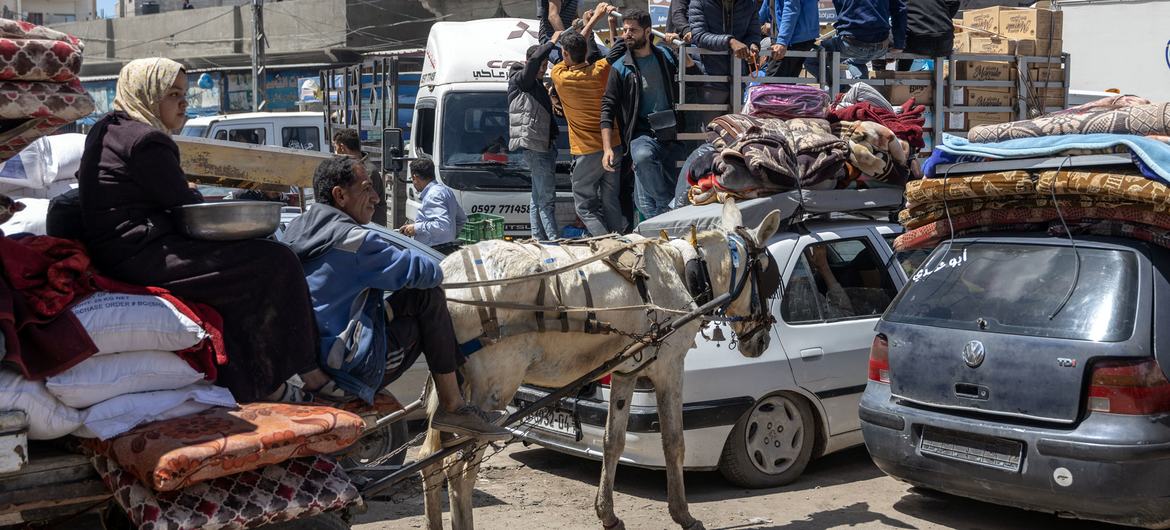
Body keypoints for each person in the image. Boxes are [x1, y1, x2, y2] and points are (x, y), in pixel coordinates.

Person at [76, 58, 330, 403]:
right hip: (143, 255)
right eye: (173, 94)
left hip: (120, 253)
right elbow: (186, 206)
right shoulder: (147, 140)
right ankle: (310, 371)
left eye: (184, 94)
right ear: (148, 95)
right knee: (277, 260)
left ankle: (256, 383)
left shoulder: (108, 128)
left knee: (236, 282)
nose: (184, 103)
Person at [282, 157, 511, 442]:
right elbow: (427, 272)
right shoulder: (355, 241)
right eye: (367, 189)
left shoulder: (297, 228)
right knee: (428, 296)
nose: (376, 198)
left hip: (314, 353)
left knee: (413, 299)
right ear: (340, 195)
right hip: (349, 367)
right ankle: (453, 405)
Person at [600, 9, 697, 219]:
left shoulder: (666, 55)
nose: (627, 34)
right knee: (643, 158)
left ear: (647, 31)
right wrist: (607, 148)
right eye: (625, 30)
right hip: (641, 133)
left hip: (671, 133)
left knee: (646, 202)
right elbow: (607, 107)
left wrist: (679, 49)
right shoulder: (620, 67)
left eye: (632, 30)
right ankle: (666, 209)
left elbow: (693, 72)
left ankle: (660, 225)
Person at [550, 3, 626, 237]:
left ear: (564, 55)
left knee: (584, 204)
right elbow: (584, 48)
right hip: (613, 145)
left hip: (586, 151)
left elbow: (576, 45)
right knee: (611, 199)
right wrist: (606, 20)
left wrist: (591, 22)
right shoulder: (600, 71)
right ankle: (620, 241)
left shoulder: (559, 76)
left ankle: (607, 244)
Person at [508, 33, 561, 240]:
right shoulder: (522, 79)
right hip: (537, 148)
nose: (543, 68)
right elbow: (534, 63)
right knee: (546, 200)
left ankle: (539, 238)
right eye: (540, 64)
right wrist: (552, 42)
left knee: (537, 198)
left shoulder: (535, 84)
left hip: (542, 146)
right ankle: (554, 241)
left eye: (545, 65)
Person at [688, 0, 763, 103]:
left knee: (738, 118)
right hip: (709, 79)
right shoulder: (699, 2)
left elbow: (753, 33)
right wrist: (730, 42)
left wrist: (752, 45)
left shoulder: (750, 3)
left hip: (739, 80)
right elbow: (699, 36)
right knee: (707, 119)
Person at [820, 0, 907, 80]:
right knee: (856, 61)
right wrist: (899, 45)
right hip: (881, 46)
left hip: (850, 44)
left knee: (811, 59)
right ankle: (861, 91)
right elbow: (900, 10)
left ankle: (840, 88)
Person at [399, 158, 467, 255]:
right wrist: (450, 237)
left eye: (412, 179)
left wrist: (416, 228)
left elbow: (442, 225)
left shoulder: (433, 195)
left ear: (415, 177)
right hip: (446, 249)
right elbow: (462, 220)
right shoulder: (446, 191)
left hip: (433, 251)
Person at [333, 128, 387, 226]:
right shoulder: (352, 169)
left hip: (371, 228)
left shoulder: (366, 172)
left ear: (341, 147)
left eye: (335, 148)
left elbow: (362, 206)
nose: (335, 153)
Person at [758, 0, 820, 79]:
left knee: (772, 85)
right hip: (794, 39)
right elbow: (766, 7)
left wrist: (782, 41)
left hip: (791, 42)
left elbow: (791, 9)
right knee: (783, 86)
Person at [897, 0, 959, 71]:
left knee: (903, 37)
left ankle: (900, 74)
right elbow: (954, 2)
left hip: (917, 41)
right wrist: (941, 17)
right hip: (944, 41)